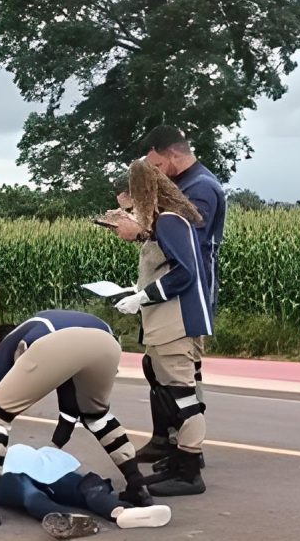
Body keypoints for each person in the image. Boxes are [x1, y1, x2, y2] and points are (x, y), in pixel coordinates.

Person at [0, 310, 152, 527]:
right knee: (97, 417)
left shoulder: (3, 349)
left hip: (55, 341)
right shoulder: (41, 325)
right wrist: (56, 443)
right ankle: (138, 487)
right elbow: (70, 405)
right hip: (107, 343)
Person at [119, 126, 226, 463]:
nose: (156, 175)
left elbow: (186, 249)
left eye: (157, 166)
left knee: (181, 376)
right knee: (157, 367)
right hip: (168, 292)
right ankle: (166, 439)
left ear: (174, 154)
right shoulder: (181, 187)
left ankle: (187, 453)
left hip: (185, 296)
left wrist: (140, 231)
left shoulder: (201, 188)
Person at [113, 159, 212, 496]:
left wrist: (142, 297)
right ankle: (181, 458)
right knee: (172, 390)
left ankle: (189, 469)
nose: (130, 213)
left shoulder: (169, 221)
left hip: (175, 320)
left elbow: (185, 273)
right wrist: (139, 291)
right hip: (168, 318)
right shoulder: (166, 222)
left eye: (130, 206)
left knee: (182, 394)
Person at [0, 434, 172, 538]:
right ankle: (119, 511)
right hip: (41, 462)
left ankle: (67, 518)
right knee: (85, 486)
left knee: (30, 495)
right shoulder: (2, 445)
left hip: (6, 472)